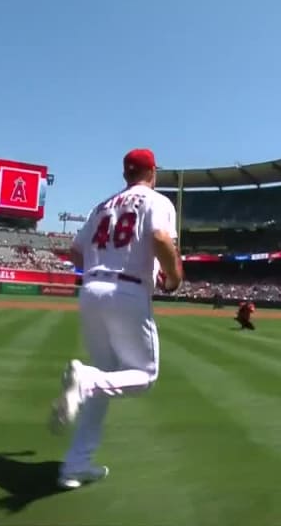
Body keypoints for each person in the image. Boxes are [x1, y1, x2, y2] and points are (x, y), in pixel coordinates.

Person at [48, 147, 183, 490]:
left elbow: (76, 252)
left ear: (126, 174)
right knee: (144, 376)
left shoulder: (102, 205)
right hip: (128, 292)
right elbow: (159, 238)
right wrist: (174, 277)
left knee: (105, 379)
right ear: (153, 172)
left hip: (92, 290)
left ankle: (75, 465)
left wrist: (100, 268)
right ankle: (86, 380)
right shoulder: (157, 201)